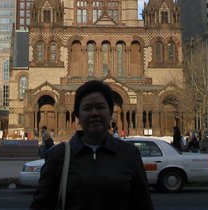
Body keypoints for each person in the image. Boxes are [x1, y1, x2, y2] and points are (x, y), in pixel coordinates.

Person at [31, 80, 153, 210]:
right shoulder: (58, 156)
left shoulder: (129, 154)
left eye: (100, 107)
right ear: (77, 114)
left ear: (110, 111)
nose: (94, 113)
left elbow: (143, 204)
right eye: (87, 108)